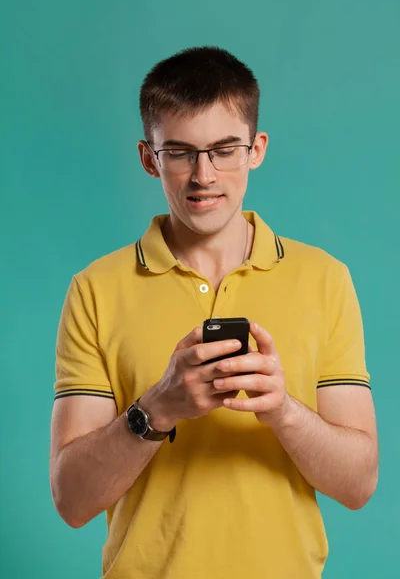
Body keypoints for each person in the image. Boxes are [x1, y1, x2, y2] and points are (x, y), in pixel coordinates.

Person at [50, 46, 378, 579]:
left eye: (225, 149)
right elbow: (71, 501)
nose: (204, 175)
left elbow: (359, 484)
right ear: (149, 157)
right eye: (179, 152)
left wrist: (284, 411)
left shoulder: (325, 279)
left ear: (256, 149)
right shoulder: (95, 289)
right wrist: (157, 409)